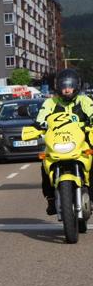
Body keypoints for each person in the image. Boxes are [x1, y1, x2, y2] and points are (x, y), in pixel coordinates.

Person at [35, 69, 93, 215]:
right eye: (63, 86)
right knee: (45, 164)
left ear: (76, 86)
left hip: (81, 141)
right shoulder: (50, 102)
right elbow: (41, 117)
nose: (67, 89)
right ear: (58, 87)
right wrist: (38, 125)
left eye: (70, 85)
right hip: (56, 142)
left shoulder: (84, 101)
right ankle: (50, 199)